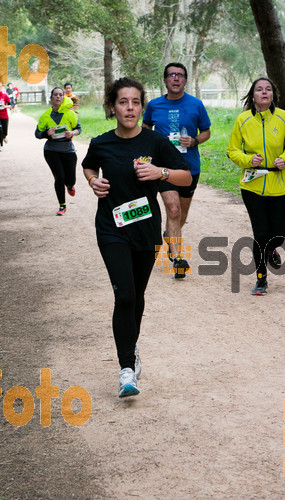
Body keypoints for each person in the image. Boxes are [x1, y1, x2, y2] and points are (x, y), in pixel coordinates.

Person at [81, 77, 191, 398]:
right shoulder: (101, 143)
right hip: (111, 229)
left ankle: (131, 347)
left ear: (142, 107)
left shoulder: (155, 143)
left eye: (135, 102)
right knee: (125, 296)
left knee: (137, 296)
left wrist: (161, 173)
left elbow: (184, 176)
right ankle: (126, 370)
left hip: (145, 231)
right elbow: (89, 167)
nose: (129, 108)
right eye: (123, 102)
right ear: (112, 107)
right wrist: (92, 182)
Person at [226, 77, 285, 296]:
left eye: (268, 89)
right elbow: (232, 150)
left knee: (277, 236)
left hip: (278, 184)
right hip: (252, 185)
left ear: (273, 94)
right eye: (259, 89)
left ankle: (272, 249)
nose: (264, 92)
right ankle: (261, 279)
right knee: (261, 232)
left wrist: (284, 158)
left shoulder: (284, 118)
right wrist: (249, 160)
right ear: (253, 95)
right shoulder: (243, 120)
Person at [142, 62, 211, 279]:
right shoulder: (154, 105)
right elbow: (145, 129)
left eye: (180, 75)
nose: (175, 78)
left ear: (185, 80)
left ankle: (169, 235)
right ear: (165, 80)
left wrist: (194, 140)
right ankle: (177, 258)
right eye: (171, 75)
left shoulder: (196, 104)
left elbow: (206, 131)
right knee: (172, 210)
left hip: (189, 167)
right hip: (164, 167)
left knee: (181, 215)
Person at [35, 87, 81, 215]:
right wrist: (46, 133)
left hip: (68, 149)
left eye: (60, 95)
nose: (58, 97)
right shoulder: (45, 116)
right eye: (55, 95)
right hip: (51, 150)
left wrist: (72, 132)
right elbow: (37, 134)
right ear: (51, 98)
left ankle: (70, 185)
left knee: (70, 179)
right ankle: (62, 206)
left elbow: (78, 129)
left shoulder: (69, 113)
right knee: (59, 177)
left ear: (63, 97)